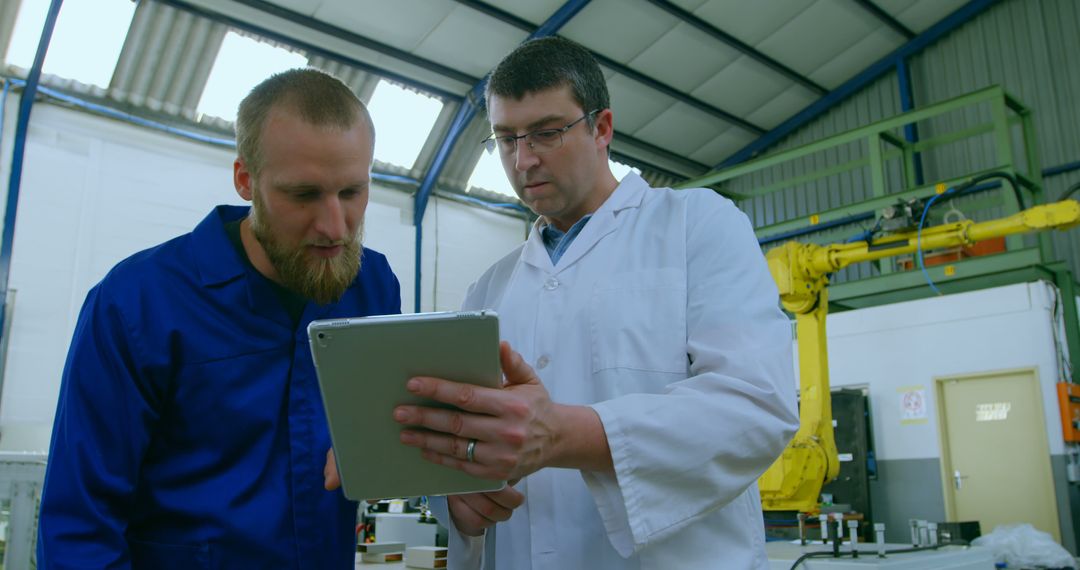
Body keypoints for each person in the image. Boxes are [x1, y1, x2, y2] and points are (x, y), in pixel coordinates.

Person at [328, 37, 799, 569]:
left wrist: (563, 436)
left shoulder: (697, 225)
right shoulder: (489, 288)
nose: (523, 160)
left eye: (547, 133)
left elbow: (756, 406)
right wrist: (458, 502)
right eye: (505, 139)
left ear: (602, 129)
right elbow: (463, 448)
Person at [37, 68, 400, 569]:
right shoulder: (137, 305)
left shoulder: (374, 287)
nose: (334, 227)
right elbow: (79, 529)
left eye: (352, 193)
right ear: (245, 179)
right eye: (303, 195)